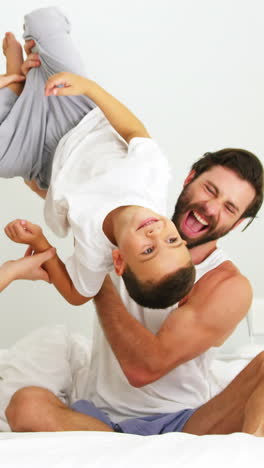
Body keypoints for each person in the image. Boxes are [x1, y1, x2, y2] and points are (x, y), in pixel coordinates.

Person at [5, 147, 264, 437]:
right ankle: (123, 447)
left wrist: (96, 278)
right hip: (94, 415)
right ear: (190, 178)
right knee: (25, 405)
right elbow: (77, 200)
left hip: (180, 424)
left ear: (238, 222)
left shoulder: (227, 285)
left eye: (230, 208)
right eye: (210, 190)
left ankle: (242, 457)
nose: (211, 208)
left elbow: (144, 368)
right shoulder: (135, 225)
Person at [2, 8, 195, 309]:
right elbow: (133, 129)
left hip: (41, 157)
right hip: (79, 113)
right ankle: (33, 69)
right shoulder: (151, 181)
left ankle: (16, 78)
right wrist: (90, 89)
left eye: (147, 251)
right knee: (44, 21)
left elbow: (78, 295)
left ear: (118, 261)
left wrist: (40, 242)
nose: (156, 233)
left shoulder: (97, 252)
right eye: (172, 241)